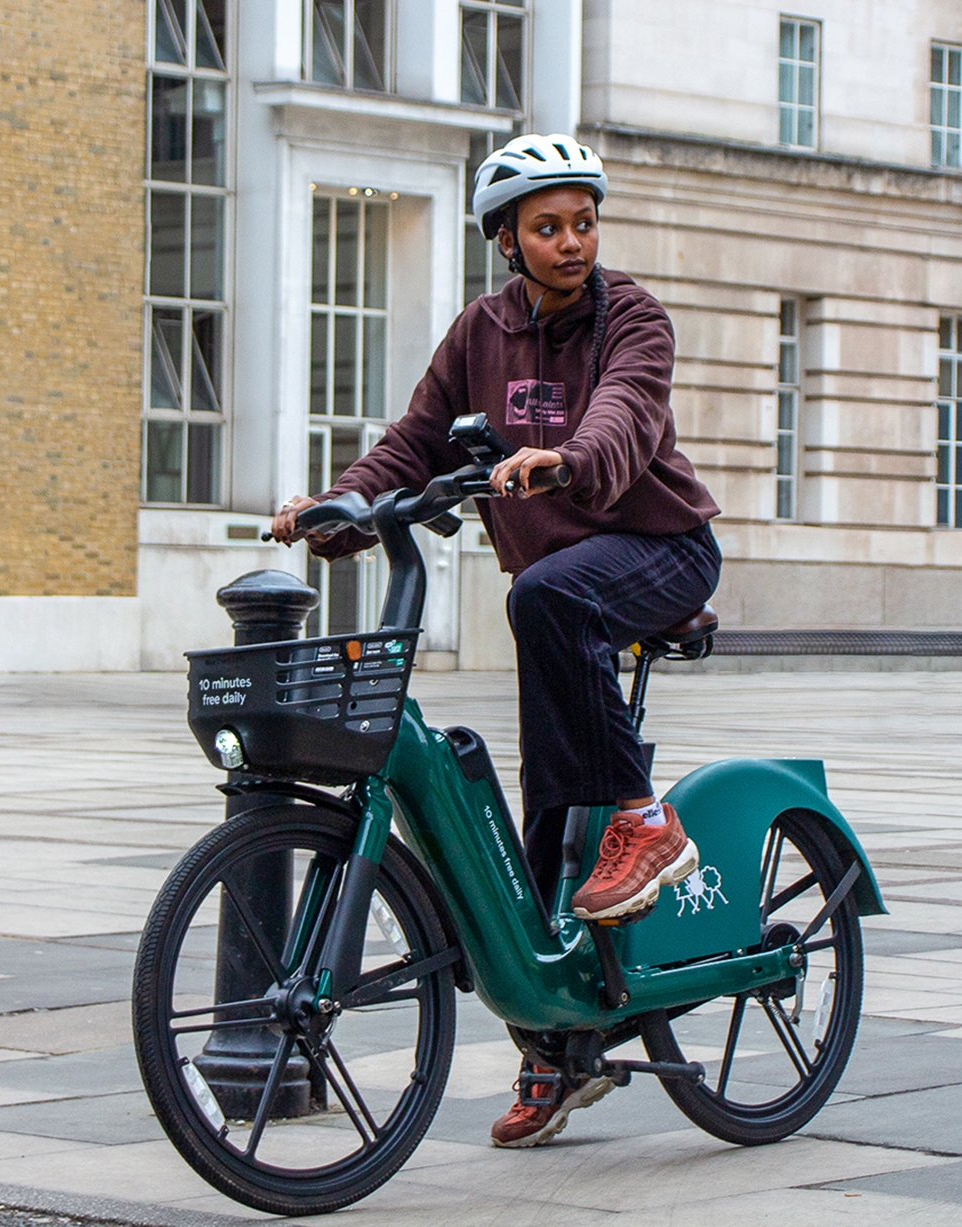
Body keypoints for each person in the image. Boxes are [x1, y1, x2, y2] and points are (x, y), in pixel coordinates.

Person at [271, 133, 722, 1148]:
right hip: (562, 593)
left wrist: (564, 457)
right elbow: (414, 439)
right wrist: (338, 505)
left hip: (658, 550)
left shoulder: (632, 315)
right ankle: (555, 1053)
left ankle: (647, 817)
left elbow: (626, 413)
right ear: (507, 242)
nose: (572, 242)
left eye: (583, 222)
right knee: (548, 816)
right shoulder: (481, 331)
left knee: (545, 605)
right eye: (548, 226)